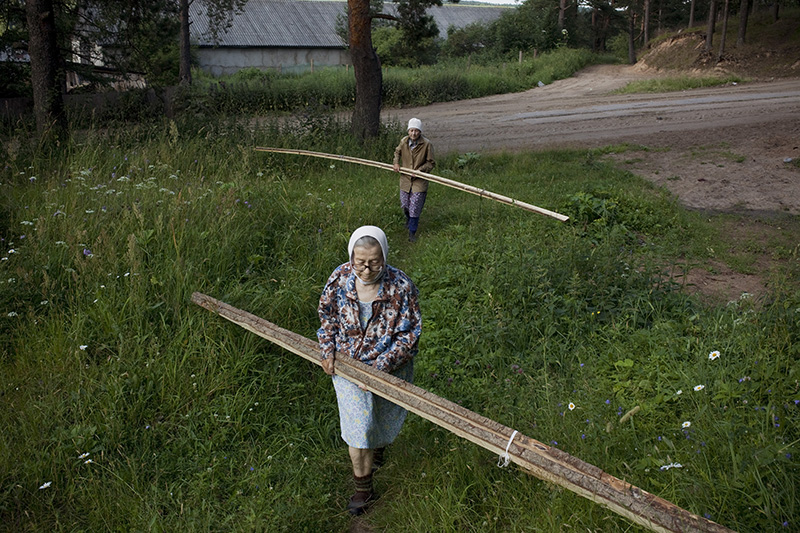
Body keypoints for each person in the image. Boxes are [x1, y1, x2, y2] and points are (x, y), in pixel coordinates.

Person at [317, 225, 421, 516]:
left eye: (374, 262)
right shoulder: (339, 278)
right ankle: (363, 489)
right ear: (351, 257)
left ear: (384, 256)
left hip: (389, 366)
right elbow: (326, 317)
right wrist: (327, 351)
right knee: (359, 430)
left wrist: (381, 367)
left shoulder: (401, 286)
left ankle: (377, 449)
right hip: (348, 366)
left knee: (382, 416)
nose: (366, 269)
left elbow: (410, 334)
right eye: (359, 261)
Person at [393, 118, 435, 242]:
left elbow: (431, 163)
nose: (414, 134)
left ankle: (412, 231)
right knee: (405, 204)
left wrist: (420, 171)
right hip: (405, 179)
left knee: (415, 205)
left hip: (419, 180)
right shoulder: (404, 142)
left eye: (416, 131)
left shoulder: (427, 144)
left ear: (420, 132)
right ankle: (409, 219)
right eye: (411, 130)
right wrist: (396, 163)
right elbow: (397, 153)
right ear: (408, 131)